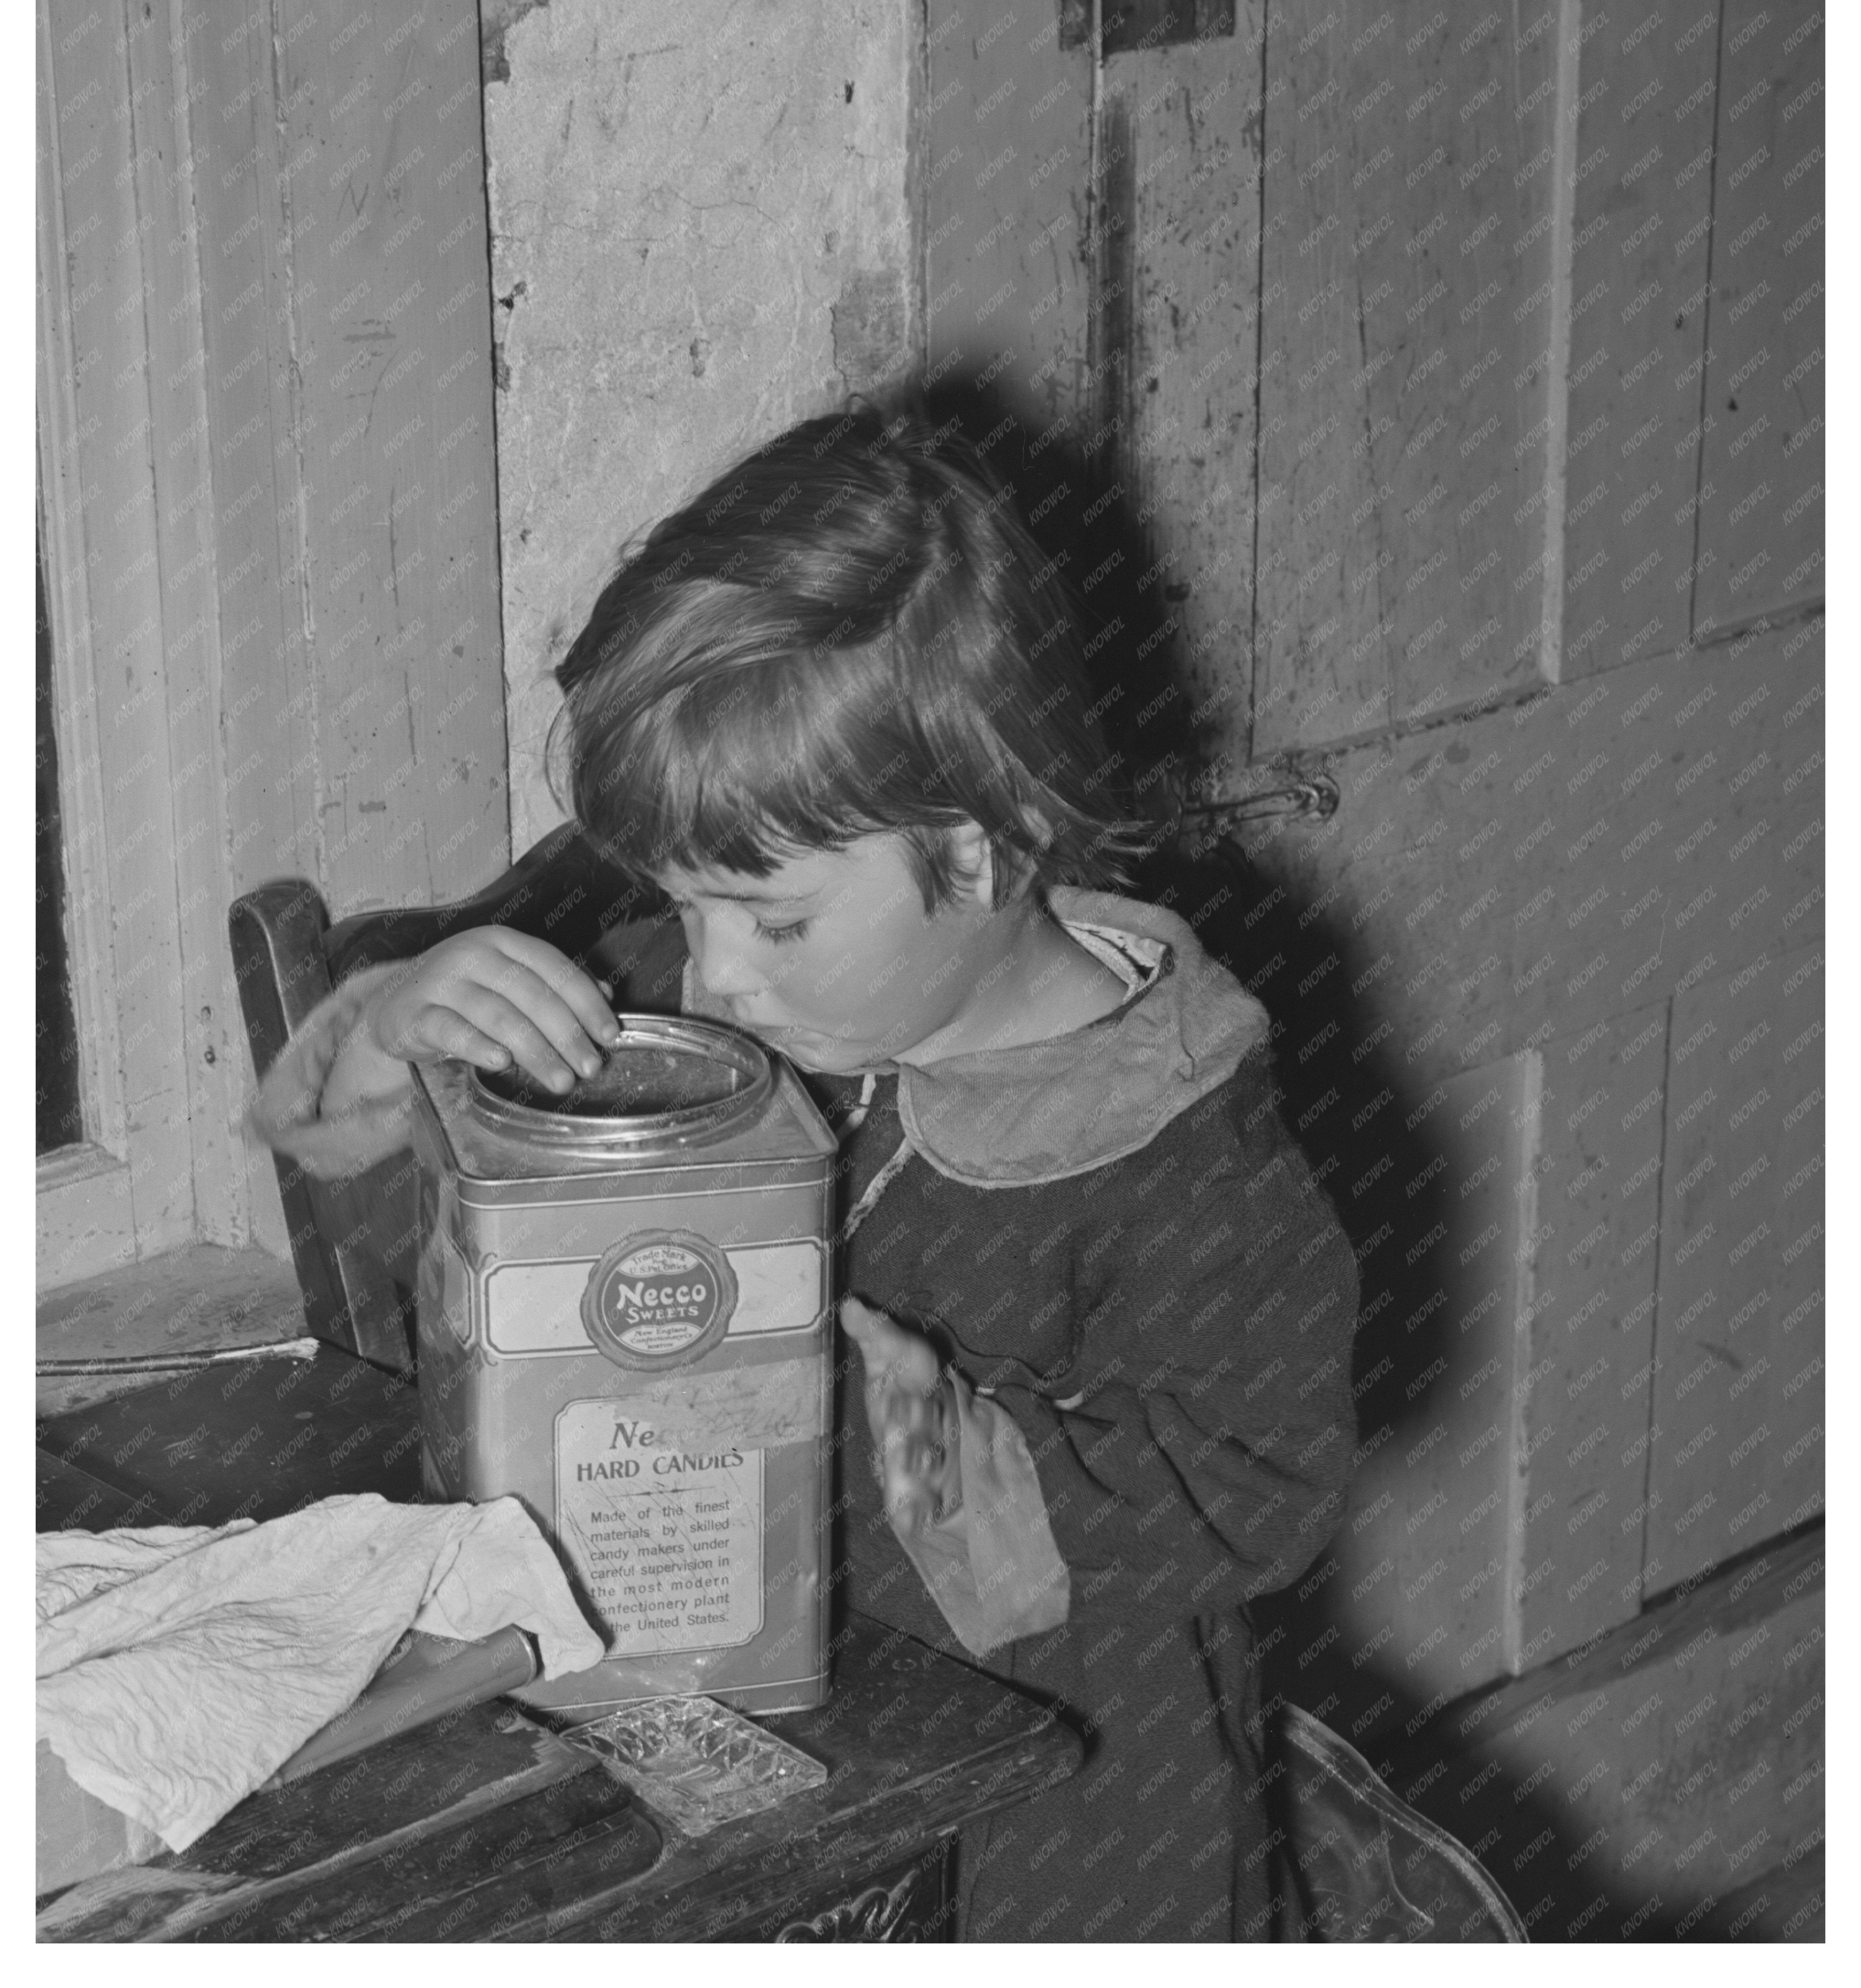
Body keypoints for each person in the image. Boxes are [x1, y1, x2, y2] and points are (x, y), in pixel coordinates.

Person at [250, 387, 1358, 1941]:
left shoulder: (1176, 1145)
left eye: (769, 922)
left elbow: (1270, 1481)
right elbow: (377, 1211)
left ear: (981, 848)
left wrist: (962, 1465)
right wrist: (387, 1039)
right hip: (714, 1761)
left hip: (1056, 1834)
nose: (706, 982)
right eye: (681, 905)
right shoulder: (700, 1015)